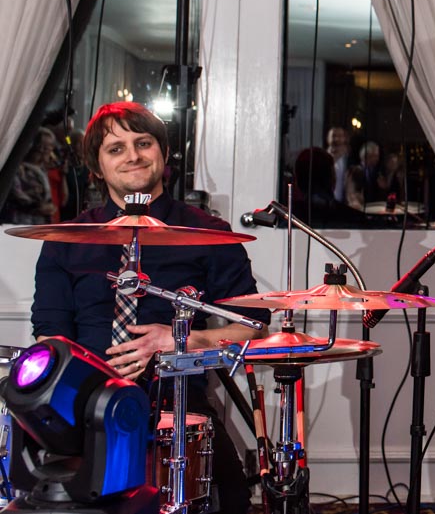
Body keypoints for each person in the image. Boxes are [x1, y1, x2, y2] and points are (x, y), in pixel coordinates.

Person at [31, 102, 268, 514]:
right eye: (116, 148)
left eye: (143, 143)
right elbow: (49, 336)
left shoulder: (207, 232)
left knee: (231, 500)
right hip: (86, 406)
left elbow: (253, 326)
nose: (133, 156)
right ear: (97, 166)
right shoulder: (66, 239)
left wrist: (182, 341)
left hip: (180, 404)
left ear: (164, 152)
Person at [325, 125, 350, 202]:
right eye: (334, 136)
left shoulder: (349, 158)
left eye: (340, 136)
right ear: (328, 138)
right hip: (327, 201)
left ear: (344, 138)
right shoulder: (322, 157)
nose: (337, 139)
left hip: (344, 202)